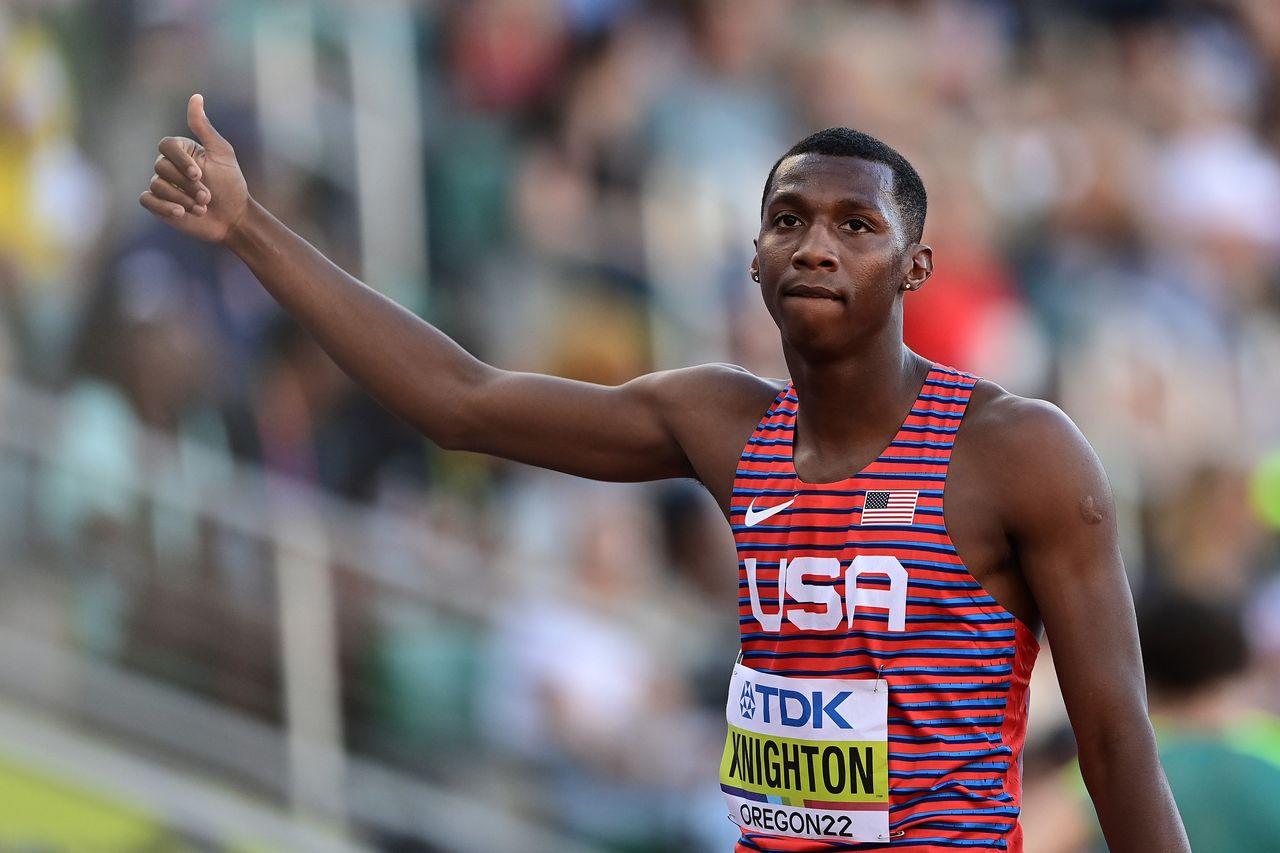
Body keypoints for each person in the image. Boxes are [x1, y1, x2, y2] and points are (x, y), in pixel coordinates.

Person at [140, 94, 1190, 852]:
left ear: (914, 268)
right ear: (753, 257)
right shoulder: (721, 423)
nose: (815, 246)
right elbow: (460, 401)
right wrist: (248, 229)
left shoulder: (1015, 449)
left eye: (856, 226)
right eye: (789, 220)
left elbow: (1112, 737)